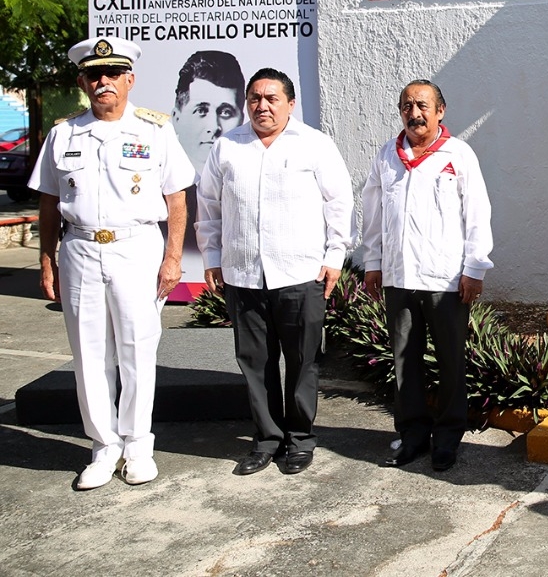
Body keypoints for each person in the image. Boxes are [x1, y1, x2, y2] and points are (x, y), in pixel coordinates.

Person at [29, 37, 195, 490]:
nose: (104, 82)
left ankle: (138, 445)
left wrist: (173, 257)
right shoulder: (64, 134)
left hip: (136, 247)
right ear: (83, 81)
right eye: (94, 75)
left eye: (112, 75)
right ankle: (104, 448)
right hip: (80, 249)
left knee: (137, 350)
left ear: (129, 80)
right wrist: (48, 260)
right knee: (88, 355)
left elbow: (175, 197)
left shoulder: (154, 130)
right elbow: (48, 204)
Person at [196, 68, 353, 476]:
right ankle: (266, 439)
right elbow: (209, 207)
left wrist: (335, 255)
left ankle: (300, 439)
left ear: (290, 103)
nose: (262, 106)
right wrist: (212, 257)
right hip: (244, 275)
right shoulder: (227, 146)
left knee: (303, 361)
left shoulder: (314, 145)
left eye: (271, 98)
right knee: (254, 361)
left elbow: (339, 203)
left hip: (300, 274)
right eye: (255, 99)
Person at [361, 80, 493, 472]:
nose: (414, 113)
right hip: (400, 279)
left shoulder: (459, 154)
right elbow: (373, 213)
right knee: (405, 362)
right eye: (406, 106)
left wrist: (475, 268)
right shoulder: (388, 155)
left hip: (446, 280)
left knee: (451, 362)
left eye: (422, 105)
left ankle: (448, 439)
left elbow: (477, 214)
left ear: (440, 110)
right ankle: (413, 436)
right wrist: (373, 263)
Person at [172, 50, 245, 176]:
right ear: (176, 119)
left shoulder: (252, 175)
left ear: (241, 120)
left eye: (226, 112)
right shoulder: (156, 175)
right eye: (201, 110)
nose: (213, 127)